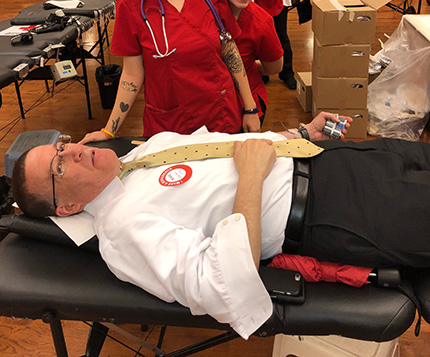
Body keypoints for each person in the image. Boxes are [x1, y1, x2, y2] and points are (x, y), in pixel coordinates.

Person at [12, 114, 430, 340]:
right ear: (67, 207)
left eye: (62, 145)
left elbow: (235, 148)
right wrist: (251, 179)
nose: (75, 152)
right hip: (339, 209)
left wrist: (297, 133)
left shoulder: (146, 151)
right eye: (59, 165)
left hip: (333, 155)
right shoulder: (122, 231)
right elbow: (223, 283)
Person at [80, 0, 260, 144]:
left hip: (221, 116)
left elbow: (230, 52)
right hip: (169, 126)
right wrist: (109, 130)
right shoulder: (131, 6)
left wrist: (250, 107)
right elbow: (132, 75)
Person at [216, 0, 284, 124]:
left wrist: (245, 67)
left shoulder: (261, 23)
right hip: (208, 106)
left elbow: (274, 67)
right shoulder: (204, 12)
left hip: (246, 110)